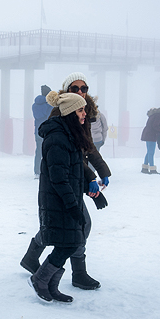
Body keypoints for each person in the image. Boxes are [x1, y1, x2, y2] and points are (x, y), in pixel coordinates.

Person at [21, 72, 110, 291]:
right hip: (64, 180)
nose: (81, 92)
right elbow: (67, 155)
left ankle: (34, 259)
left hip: (74, 177)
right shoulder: (62, 114)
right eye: (75, 88)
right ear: (67, 91)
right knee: (75, 225)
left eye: (84, 88)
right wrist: (90, 178)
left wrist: (102, 171)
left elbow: (86, 147)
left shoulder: (83, 112)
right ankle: (76, 273)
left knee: (67, 226)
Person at [29, 92, 94, 303]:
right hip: (58, 200)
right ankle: (40, 279)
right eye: (80, 110)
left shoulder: (69, 134)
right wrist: (72, 205)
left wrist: (91, 192)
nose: (85, 114)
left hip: (66, 198)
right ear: (69, 112)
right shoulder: (57, 137)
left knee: (70, 242)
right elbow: (59, 177)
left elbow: (74, 172)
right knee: (68, 243)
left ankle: (50, 284)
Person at [32, 85, 52, 179]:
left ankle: (37, 171)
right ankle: (46, 171)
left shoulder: (34, 105)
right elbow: (50, 117)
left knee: (38, 152)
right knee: (48, 152)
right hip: (47, 131)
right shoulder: (49, 105)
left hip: (37, 131)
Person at [141, 107, 160, 174]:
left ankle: (145, 167)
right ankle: (152, 169)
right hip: (151, 135)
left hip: (147, 134)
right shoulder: (159, 115)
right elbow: (155, 125)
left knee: (149, 151)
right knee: (151, 152)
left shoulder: (154, 115)